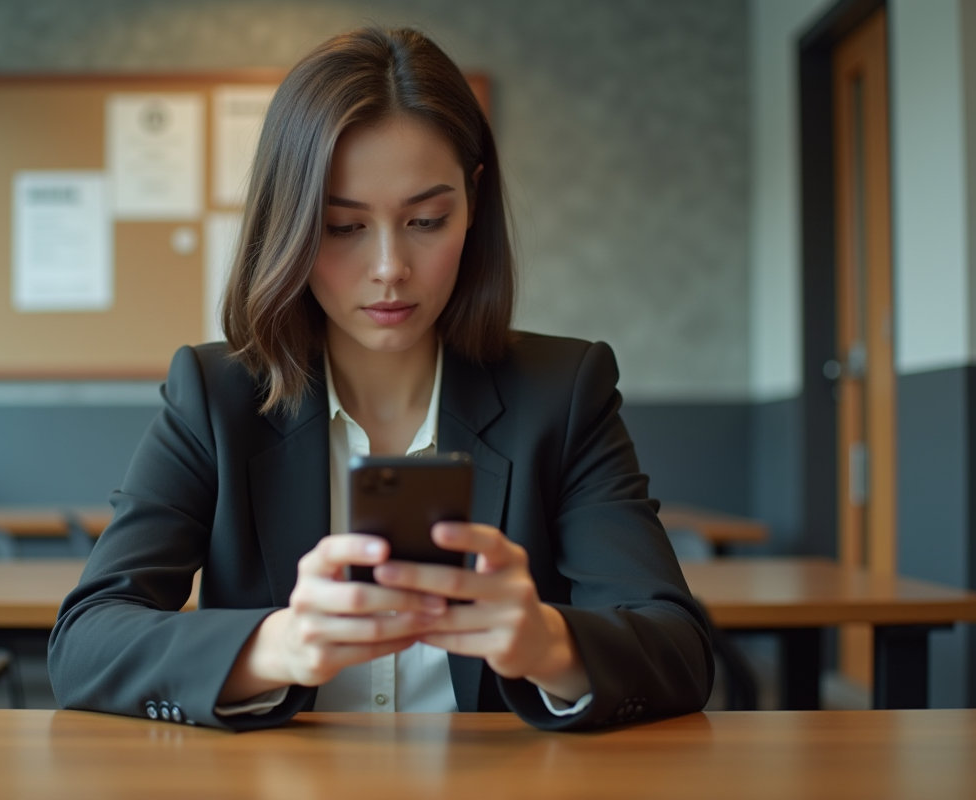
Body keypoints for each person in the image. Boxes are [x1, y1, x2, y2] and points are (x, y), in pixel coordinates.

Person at [49, 25, 713, 732]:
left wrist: (545, 642)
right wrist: (276, 647)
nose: (390, 266)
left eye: (427, 219)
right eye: (342, 228)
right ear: (290, 225)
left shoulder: (563, 391)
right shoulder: (215, 395)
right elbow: (84, 645)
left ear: (474, 202)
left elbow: (679, 650)